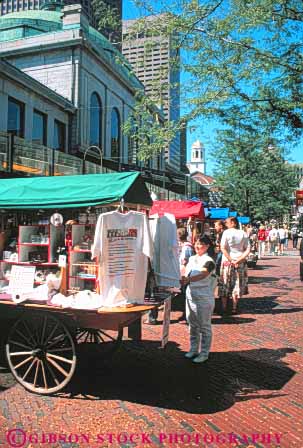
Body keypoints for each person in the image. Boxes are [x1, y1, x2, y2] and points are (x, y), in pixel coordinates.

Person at [181, 234, 216, 363]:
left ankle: (204, 352)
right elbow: (184, 271)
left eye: (201, 244)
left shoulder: (209, 261)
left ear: (207, 246)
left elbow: (203, 274)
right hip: (191, 294)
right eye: (196, 243)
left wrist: (188, 279)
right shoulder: (192, 258)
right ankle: (193, 349)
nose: (197, 246)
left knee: (204, 325)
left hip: (204, 296)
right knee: (192, 323)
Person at [219, 217, 250, 315]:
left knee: (225, 283)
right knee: (237, 283)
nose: (225, 224)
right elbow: (248, 249)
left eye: (227, 222)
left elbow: (223, 248)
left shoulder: (226, 233)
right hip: (240, 262)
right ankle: (234, 307)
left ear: (233, 222)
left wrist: (231, 260)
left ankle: (224, 307)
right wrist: (239, 260)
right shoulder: (243, 233)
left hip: (227, 261)